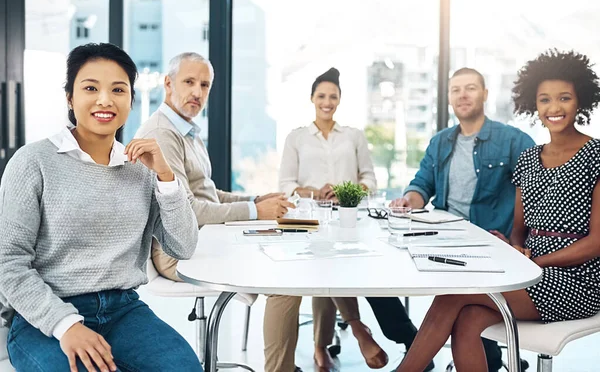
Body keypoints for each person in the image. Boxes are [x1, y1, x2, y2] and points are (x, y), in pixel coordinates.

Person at [393, 49, 600, 372]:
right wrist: (513, 246)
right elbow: (520, 229)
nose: (554, 108)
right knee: (467, 320)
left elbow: (596, 243)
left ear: (580, 101)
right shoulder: (529, 158)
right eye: (545, 100)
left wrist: (534, 261)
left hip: (577, 279)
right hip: (528, 269)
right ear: (535, 105)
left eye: (564, 98)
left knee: (453, 296)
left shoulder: (595, 155)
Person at [0, 43, 202, 371]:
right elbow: (8, 264)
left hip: (124, 312)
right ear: (70, 97)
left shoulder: (142, 168)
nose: (105, 99)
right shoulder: (33, 162)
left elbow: (183, 245)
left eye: (118, 89)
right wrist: (66, 325)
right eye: (90, 88)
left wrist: (166, 176)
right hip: (45, 317)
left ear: (130, 100)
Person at [273, 67, 425, 372]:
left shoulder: (353, 136)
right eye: (321, 96)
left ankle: (324, 347)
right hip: (310, 221)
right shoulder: (297, 137)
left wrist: (347, 191)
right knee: (326, 263)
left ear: (340, 99)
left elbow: (370, 179)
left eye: (333, 96)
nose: (327, 101)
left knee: (335, 263)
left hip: (350, 217)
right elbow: (285, 185)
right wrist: (316, 192)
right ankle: (353, 331)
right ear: (312, 99)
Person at [391, 67, 535, 371]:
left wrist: (520, 241)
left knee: (459, 299)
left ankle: (485, 360)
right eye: (455, 90)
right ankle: (489, 361)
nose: (463, 95)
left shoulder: (513, 140)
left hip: (491, 246)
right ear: (449, 99)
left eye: (470, 88)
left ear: (484, 94)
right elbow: (422, 185)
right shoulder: (440, 142)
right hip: (447, 243)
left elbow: (535, 194)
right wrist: (409, 200)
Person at [135, 52, 293, 282]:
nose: (197, 93)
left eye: (204, 85)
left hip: (208, 237)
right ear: (168, 84)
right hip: (178, 253)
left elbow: (207, 192)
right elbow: (190, 209)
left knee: (283, 251)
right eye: (189, 82)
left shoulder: (189, 131)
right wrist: (256, 211)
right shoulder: (162, 133)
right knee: (280, 273)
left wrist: (256, 200)